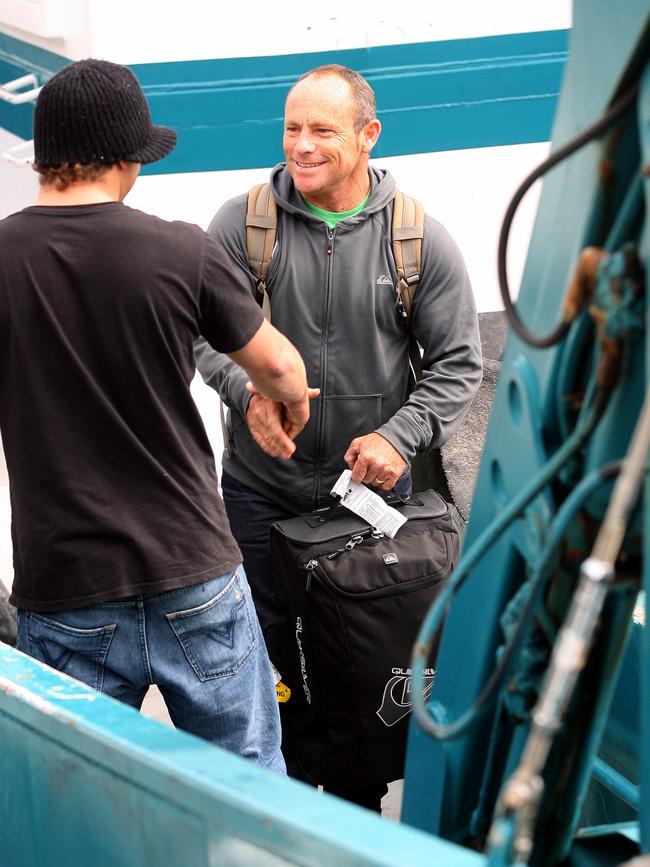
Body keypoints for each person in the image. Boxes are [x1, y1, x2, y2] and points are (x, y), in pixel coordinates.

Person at [0, 59, 314, 774]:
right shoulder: (179, 248)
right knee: (248, 789)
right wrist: (283, 403)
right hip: (192, 570)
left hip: (67, 583)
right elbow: (284, 368)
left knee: (74, 797)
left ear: (46, 157)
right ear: (124, 157)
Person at [194, 64, 483, 806]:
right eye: (292, 127)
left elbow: (458, 364)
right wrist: (246, 390)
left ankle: (354, 803)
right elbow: (199, 337)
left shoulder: (418, 238)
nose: (302, 144)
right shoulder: (242, 225)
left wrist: (400, 434)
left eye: (322, 129)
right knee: (264, 655)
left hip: (369, 502)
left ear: (367, 134)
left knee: (359, 654)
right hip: (263, 495)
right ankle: (282, 801)